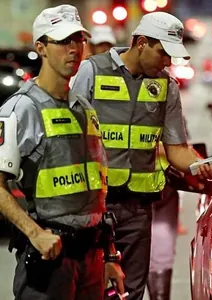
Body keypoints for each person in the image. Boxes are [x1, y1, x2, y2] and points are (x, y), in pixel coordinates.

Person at [71, 11, 212, 300]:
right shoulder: (92, 72)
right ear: (141, 43)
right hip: (94, 206)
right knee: (90, 289)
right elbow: (72, 139)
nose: (168, 62)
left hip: (138, 210)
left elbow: (177, 150)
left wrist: (203, 165)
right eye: (163, 53)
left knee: (130, 293)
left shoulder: (166, 87)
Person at [0, 5, 124, 300]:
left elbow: (96, 191)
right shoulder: (20, 109)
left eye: (79, 40)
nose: (74, 49)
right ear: (41, 48)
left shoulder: (84, 109)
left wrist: (109, 257)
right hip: (50, 261)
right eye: (64, 41)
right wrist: (34, 233)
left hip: (92, 260)